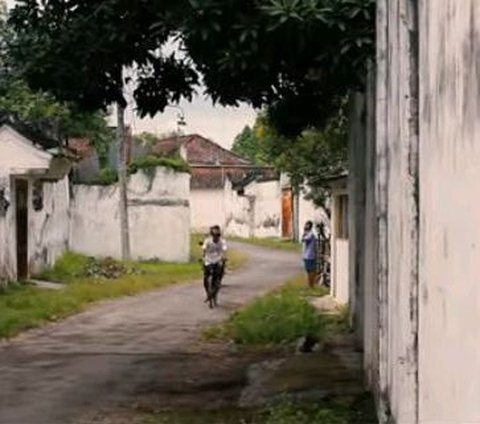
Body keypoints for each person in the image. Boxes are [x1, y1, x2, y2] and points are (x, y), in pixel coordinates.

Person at [202, 225, 227, 299]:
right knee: (206, 277)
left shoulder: (222, 242)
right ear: (211, 235)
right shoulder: (207, 241)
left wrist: (223, 257)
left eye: (217, 236)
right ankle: (208, 293)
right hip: (208, 260)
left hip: (217, 260)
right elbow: (204, 249)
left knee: (218, 275)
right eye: (214, 235)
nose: (215, 237)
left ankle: (216, 287)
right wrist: (203, 255)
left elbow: (224, 250)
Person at [302, 220, 318, 288]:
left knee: (311, 271)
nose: (305, 226)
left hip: (310, 256)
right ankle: (310, 284)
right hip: (306, 255)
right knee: (308, 271)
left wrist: (304, 233)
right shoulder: (308, 234)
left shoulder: (310, 234)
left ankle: (311, 285)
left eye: (306, 225)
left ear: (309, 226)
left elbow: (304, 239)